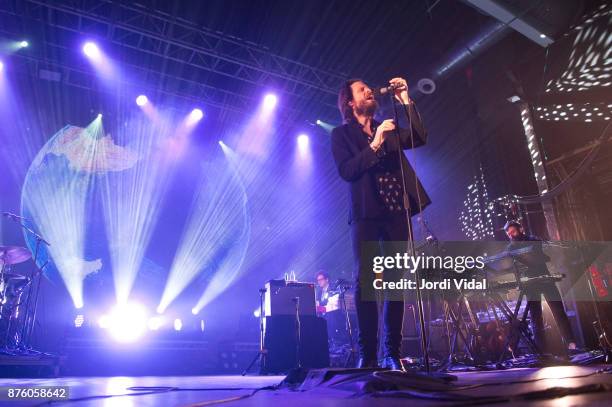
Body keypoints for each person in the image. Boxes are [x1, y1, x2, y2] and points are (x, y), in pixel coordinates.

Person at [331, 77, 430, 370]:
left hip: (396, 211)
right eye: (362, 90)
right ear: (350, 102)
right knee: (369, 283)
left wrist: (405, 101)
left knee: (396, 282)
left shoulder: (385, 126)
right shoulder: (341, 135)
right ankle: (369, 354)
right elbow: (347, 171)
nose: (369, 91)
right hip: (367, 215)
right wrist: (375, 145)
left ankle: (392, 352)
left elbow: (419, 137)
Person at [503, 220, 577, 353]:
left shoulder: (533, 240)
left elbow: (546, 255)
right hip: (530, 285)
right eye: (509, 234)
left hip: (545, 280)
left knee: (559, 312)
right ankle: (542, 352)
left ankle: (571, 345)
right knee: (536, 317)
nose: (511, 235)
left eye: (513, 232)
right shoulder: (510, 248)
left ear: (521, 229)